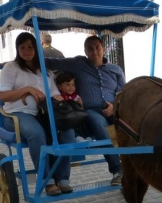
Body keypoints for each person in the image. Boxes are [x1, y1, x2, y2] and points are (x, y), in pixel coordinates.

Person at [0, 32, 76, 196]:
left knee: (68, 132)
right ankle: (46, 180)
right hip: (17, 114)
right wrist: (27, 89)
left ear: (36, 48)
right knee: (36, 133)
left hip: (44, 114)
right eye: (22, 47)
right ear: (17, 49)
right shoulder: (11, 68)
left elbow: (54, 92)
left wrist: (59, 97)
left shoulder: (45, 70)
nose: (27, 50)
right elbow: (3, 96)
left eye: (30, 47)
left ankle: (62, 179)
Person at [45, 35, 124, 186]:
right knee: (100, 124)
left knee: (132, 125)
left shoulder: (115, 70)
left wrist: (114, 106)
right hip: (91, 111)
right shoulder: (78, 63)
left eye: (97, 47)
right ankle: (117, 170)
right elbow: (53, 62)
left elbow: (122, 92)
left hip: (116, 109)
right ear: (85, 51)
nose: (94, 51)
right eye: (90, 48)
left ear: (103, 49)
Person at [55, 71, 91, 143]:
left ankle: (87, 136)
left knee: (84, 121)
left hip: (77, 115)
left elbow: (81, 108)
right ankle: (77, 137)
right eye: (68, 85)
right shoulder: (59, 97)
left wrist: (80, 104)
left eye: (73, 85)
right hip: (68, 117)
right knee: (71, 124)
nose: (71, 87)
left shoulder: (76, 96)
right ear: (59, 86)